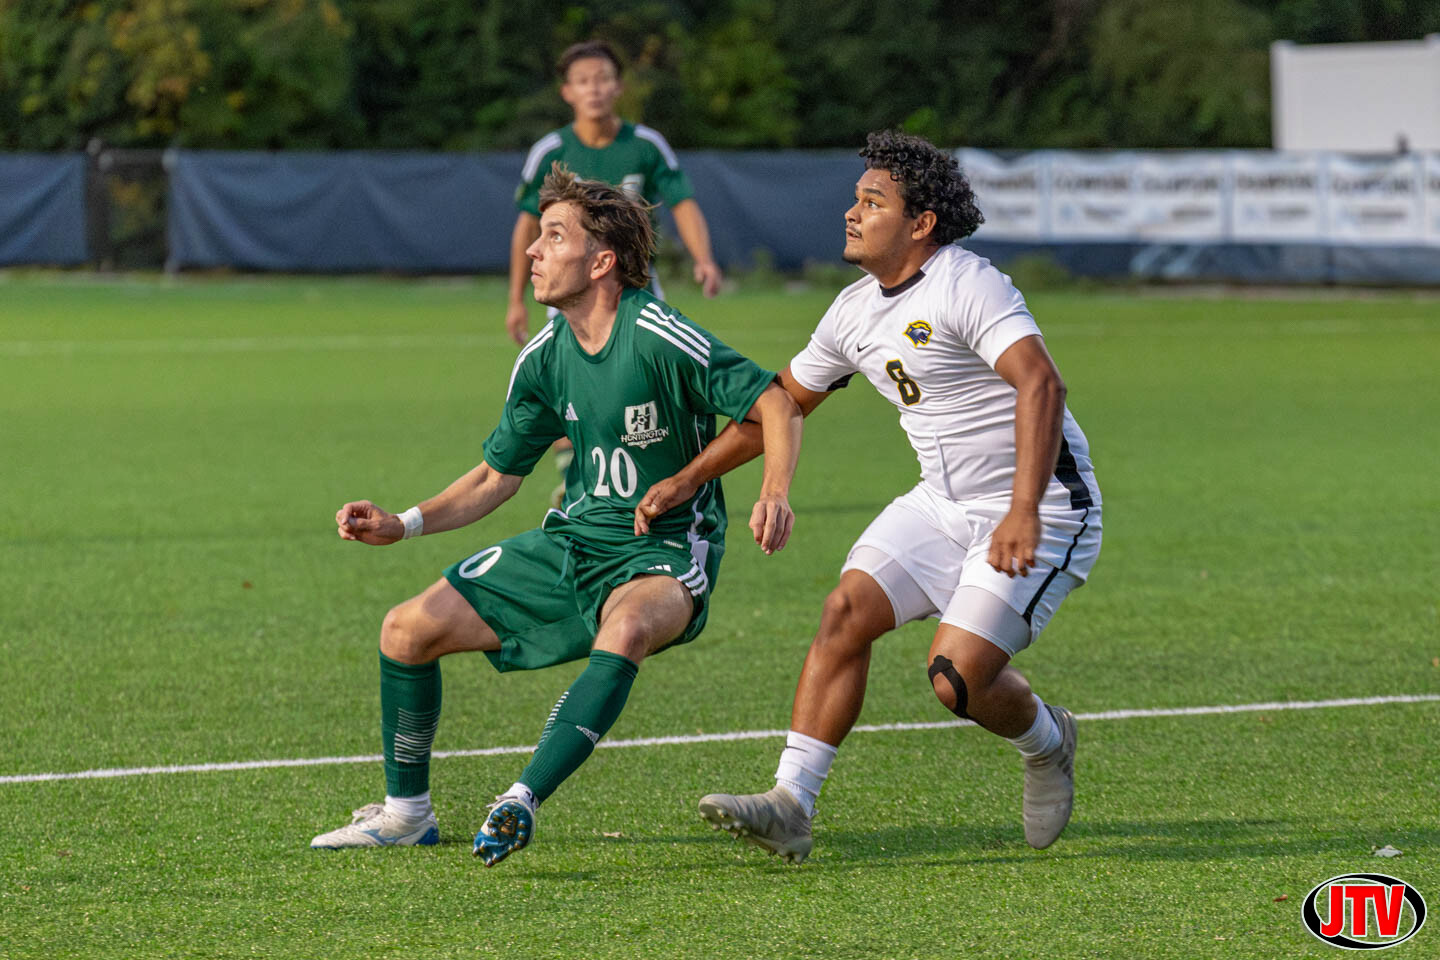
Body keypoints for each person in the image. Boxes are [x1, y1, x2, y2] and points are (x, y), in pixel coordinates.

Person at [312, 164, 801, 867]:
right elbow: (495, 477)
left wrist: (772, 491)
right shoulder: (543, 356)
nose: (533, 251)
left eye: (553, 237)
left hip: (664, 550)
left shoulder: (658, 333)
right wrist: (404, 522)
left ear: (601, 262)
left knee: (625, 628)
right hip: (575, 542)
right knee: (405, 630)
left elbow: (775, 402)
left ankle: (521, 799)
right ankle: (406, 815)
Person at [634, 131, 1102, 864]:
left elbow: (1041, 383)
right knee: (844, 611)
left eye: (874, 202)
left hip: (1041, 506)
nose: (852, 213)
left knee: (957, 679)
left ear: (921, 224)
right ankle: (791, 804)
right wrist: (691, 476)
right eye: (855, 199)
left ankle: (1047, 741)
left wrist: (1021, 510)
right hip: (940, 504)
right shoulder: (852, 310)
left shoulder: (966, 283)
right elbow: (782, 403)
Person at [504, 39, 724, 347]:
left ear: (618, 86)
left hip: (636, 286)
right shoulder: (550, 152)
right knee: (574, 375)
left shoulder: (646, 145)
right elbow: (528, 224)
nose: (593, 89)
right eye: (583, 81)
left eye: (602, 78)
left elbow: (682, 203)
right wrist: (516, 300)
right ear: (567, 91)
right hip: (570, 290)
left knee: (649, 370)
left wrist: (704, 259)